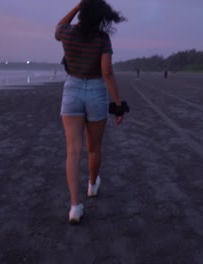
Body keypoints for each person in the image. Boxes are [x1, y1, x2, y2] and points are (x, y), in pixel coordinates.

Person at [55, 0, 127, 224]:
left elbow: (58, 28)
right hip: (96, 91)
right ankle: (92, 185)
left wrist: (77, 6)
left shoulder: (68, 33)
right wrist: (118, 104)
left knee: (73, 152)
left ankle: (75, 207)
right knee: (94, 148)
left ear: (83, 14)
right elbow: (107, 72)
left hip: (72, 90)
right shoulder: (102, 38)